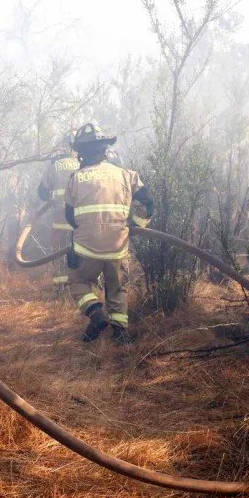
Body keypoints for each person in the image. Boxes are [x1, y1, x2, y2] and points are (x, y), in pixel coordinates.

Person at [63, 122, 155, 343]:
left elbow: (69, 217)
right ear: (104, 149)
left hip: (87, 247)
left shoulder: (76, 178)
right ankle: (121, 333)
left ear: (82, 153)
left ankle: (96, 314)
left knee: (78, 282)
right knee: (117, 288)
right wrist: (134, 226)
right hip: (117, 247)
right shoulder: (126, 175)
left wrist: (80, 238)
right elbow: (149, 202)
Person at [34, 136, 81, 292]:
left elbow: (42, 192)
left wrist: (50, 198)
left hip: (60, 217)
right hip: (80, 219)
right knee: (83, 249)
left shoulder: (55, 165)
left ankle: (60, 287)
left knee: (57, 249)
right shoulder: (84, 163)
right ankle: (82, 283)